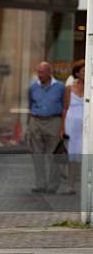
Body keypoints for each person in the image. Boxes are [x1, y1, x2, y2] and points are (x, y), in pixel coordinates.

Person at [26, 61, 66, 194]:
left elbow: (65, 107)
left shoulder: (60, 87)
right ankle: (40, 184)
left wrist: (62, 128)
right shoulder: (33, 87)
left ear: (50, 73)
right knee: (37, 155)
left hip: (53, 121)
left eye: (42, 72)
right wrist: (28, 126)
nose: (39, 75)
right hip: (36, 121)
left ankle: (53, 185)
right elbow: (30, 105)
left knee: (53, 154)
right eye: (38, 72)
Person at [61, 59, 85, 195]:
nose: (86, 73)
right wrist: (62, 128)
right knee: (72, 155)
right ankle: (70, 185)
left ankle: (85, 185)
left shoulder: (90, 87)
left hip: (86, 125)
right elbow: (64, 108)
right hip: (72, 124)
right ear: (77, 73)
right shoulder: (69, 88)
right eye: (83, 71)